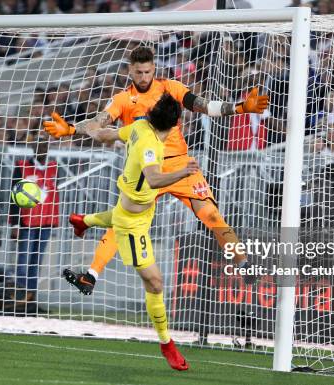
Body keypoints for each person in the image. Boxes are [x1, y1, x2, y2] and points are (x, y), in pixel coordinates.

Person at [44, 46, 269, 295]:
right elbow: (99, 122)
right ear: (130, 70)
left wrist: (239, 108)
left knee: (213, 216)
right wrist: (72, 129)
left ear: (154, 69)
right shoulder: (122, 99)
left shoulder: (169, 87)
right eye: (139, 72)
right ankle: (91, 275)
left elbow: (203, 105)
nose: (143, 77)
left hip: (181, 165)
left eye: (148, 71)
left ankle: (244, 265)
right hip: (146, 169)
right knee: (123, 223)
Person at [64, 93, 197, 370]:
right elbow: (154, 178)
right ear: (175, 125)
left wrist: (81, 128)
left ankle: (84, 221)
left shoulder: (138, 126)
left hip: (136, 207)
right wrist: (184, 172)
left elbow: (105, 136)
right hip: (133, 225)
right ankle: (167, 344)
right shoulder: (151, 146)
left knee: (118, 215)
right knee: (155, 283)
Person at [9, 131, 59, 301]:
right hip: (27, 222)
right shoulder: (22, 166)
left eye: (44, 144)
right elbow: (13, 197)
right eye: (38, 144)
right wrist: (14, 224)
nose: (42, 148)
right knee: (23, 262)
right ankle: (19, 298)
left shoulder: (54, 168)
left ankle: (30, 300)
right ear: (32, 147)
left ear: (48, 147)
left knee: (36, 263)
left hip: (46, 221)